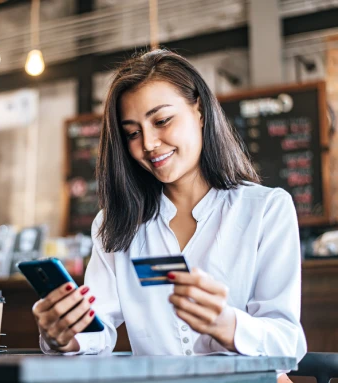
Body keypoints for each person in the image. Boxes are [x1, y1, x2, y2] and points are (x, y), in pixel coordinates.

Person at [32, 49, 306, 381]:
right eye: (132, 132)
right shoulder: (115, 224)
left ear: (200, 111)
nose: (148, 143)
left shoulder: (265, 210)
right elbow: (98, 329)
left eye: (162, 121)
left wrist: (227, 324)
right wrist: (64, 335)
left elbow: (288, 342)